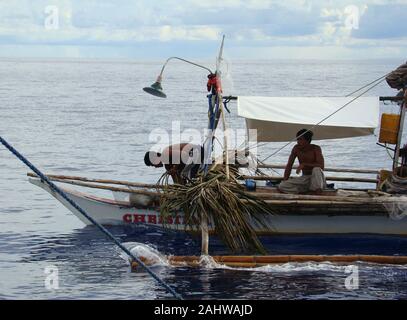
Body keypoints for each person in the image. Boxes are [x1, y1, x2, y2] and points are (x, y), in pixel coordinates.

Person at [278, 129, 326, 194]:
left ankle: (316, 191)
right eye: (297, 139)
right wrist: (285, 180)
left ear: (307, 141)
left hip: (317, 179)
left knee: (316, 169)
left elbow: (321, 166)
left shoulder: (316, 148)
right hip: (305, 179)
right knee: (282, 186)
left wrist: (304, 164)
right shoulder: (296, 148)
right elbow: (289, 165)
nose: (298, 142)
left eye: (300, 139)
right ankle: (308, 191)